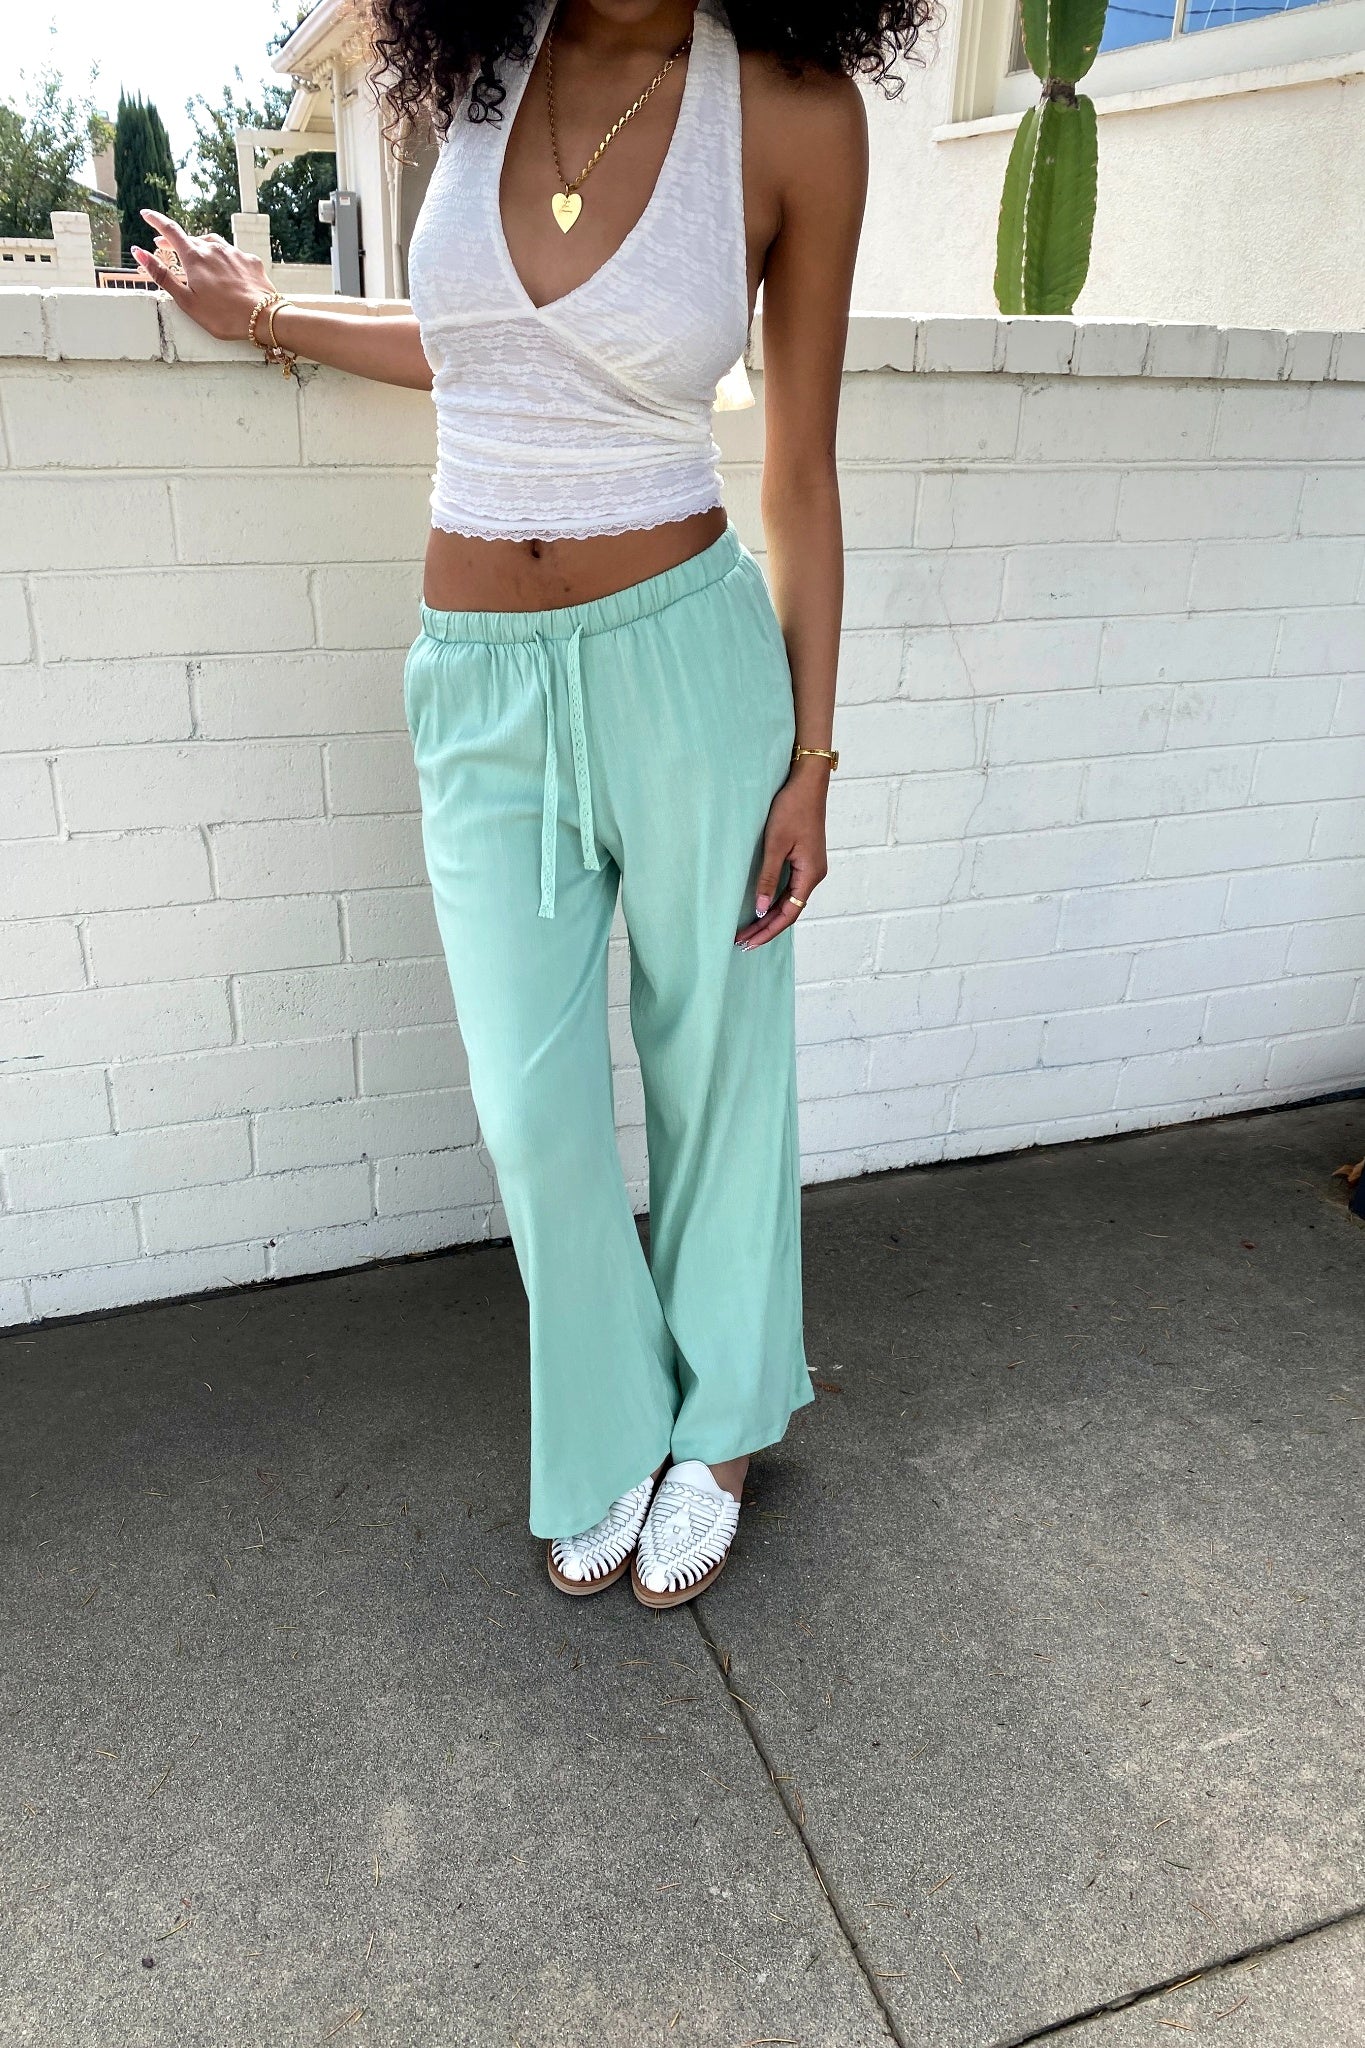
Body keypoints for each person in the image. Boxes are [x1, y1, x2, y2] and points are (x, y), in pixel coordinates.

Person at [135, 0, 929, 1607]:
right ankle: (609, 1420)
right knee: (529, 1101)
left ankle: (721, 1432)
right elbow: (479, 346)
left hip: (689, 668)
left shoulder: (790, 112)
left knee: (718, 1065)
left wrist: (812, 761)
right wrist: (270, 315)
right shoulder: (480, 63)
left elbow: (798, 469)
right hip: (479, 682)